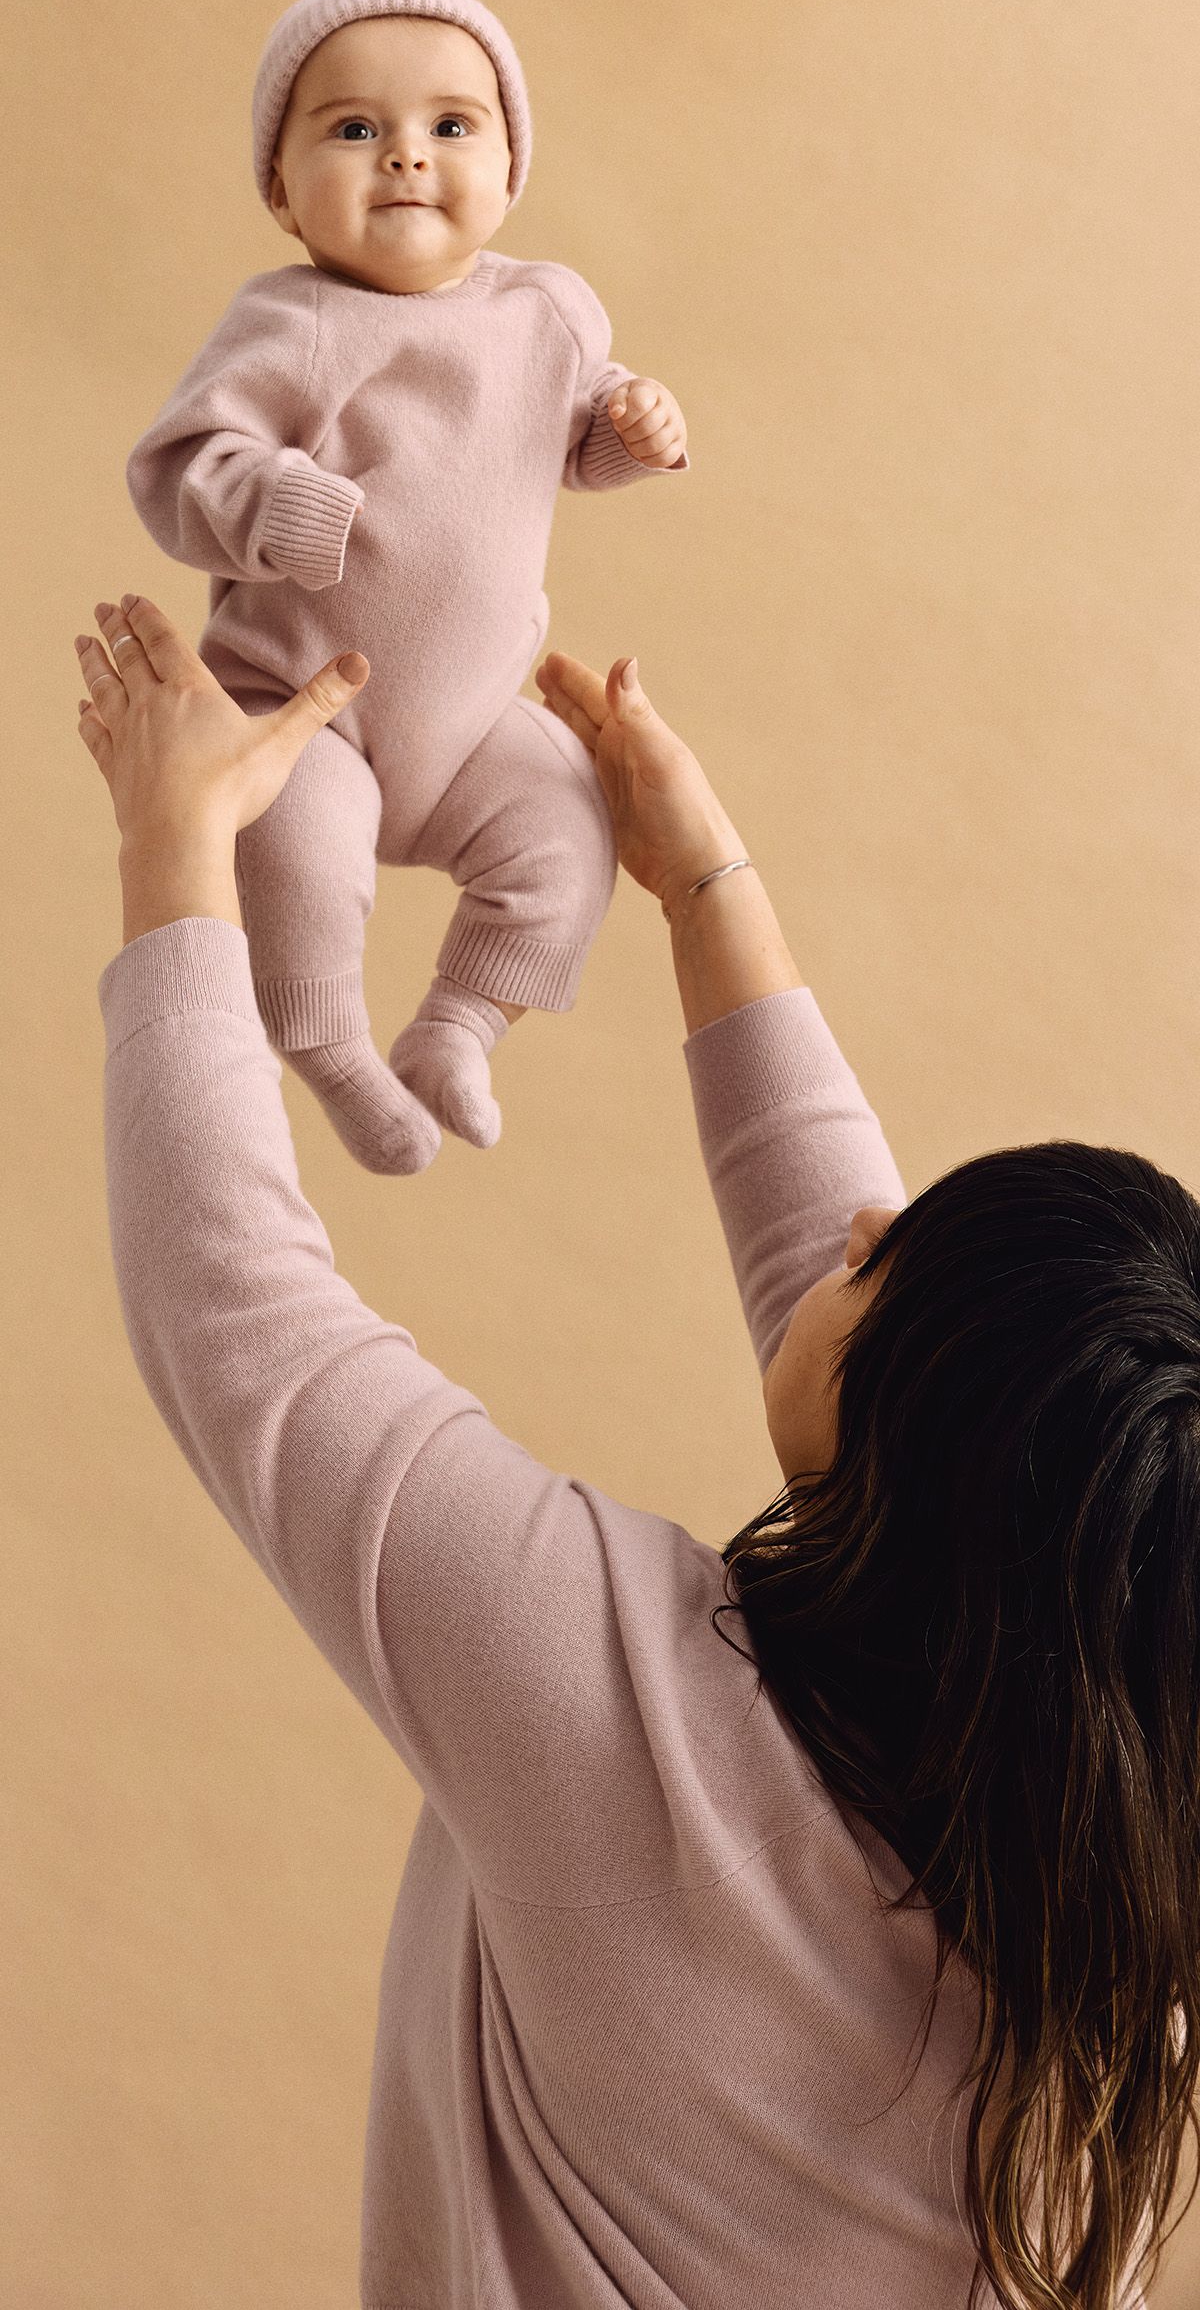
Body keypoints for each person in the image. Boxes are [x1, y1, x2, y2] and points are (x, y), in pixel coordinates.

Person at [72, 595, 1193, 2309]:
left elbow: (235, 1307)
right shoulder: (1117, 1933)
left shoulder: (622, 1723)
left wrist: (177, 841)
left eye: (892, 1261)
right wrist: (704, 885)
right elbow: (916, 1385)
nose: (867, 1212)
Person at [125, 0, 690, 1175]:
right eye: (352, 129)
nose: (405, 159)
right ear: (281, 193)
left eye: (449, 125)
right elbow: (175, 470)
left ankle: (457, 1029)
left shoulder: (549, 311)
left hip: (471, 716)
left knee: (569, 829)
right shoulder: (290, 320)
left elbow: (567, 435)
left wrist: (630, 430)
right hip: (299, 705)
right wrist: (273, 501)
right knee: (300, 858)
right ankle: (330, 1049)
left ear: (509, 168)